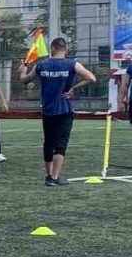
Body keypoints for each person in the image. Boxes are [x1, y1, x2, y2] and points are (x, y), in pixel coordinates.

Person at [18, 37, 95, 186]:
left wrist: (22, 71)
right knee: (61, 143)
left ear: (52, 48)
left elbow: (25, 80)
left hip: (47, 109)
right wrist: (74, 88)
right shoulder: (72, 64)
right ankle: (55, 177)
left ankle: (48, 175)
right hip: (65, 109)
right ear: (65, 49)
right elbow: (91, 78)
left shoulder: (41, 65)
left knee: (48, 142)